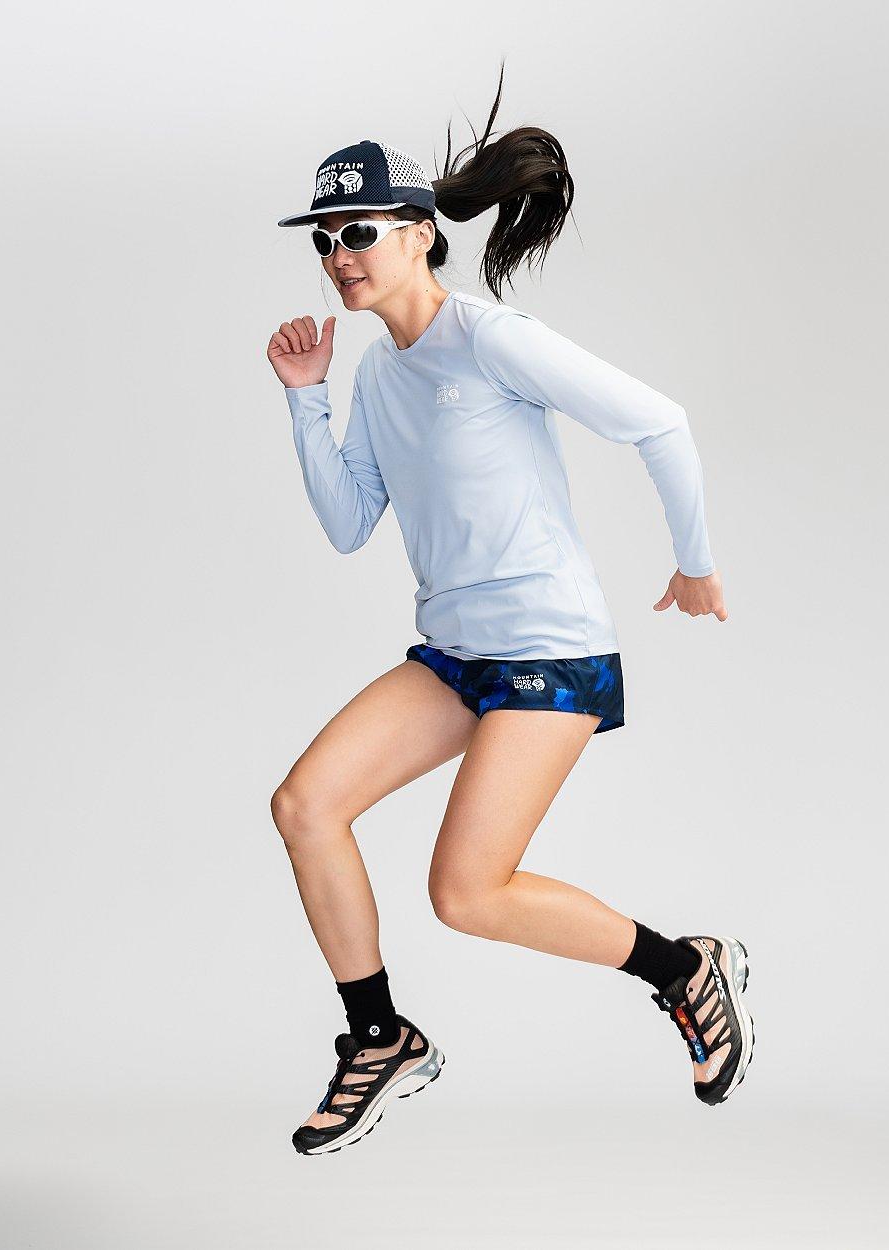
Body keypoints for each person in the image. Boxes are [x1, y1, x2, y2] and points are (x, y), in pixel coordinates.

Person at [264, 77, 752, 1157]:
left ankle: (686, 968)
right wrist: (305, 394)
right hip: (455, 653)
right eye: (325, 240)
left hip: (551, 649)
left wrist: (695, 564)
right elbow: (350, 524)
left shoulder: (490, 339)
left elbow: (659, 421)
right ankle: (379, 1036)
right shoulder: (381, 378)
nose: (340, 254)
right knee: (305, 804)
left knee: (466, 891)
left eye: (359, 232)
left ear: (420, 237)